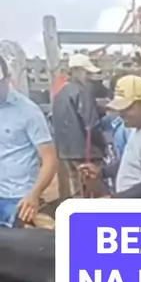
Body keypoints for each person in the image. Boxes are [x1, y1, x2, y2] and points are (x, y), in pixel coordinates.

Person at [0, 56, 57, 227]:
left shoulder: (28, 111)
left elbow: (49, 158)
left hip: (19, 199)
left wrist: (33, 194)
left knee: (21, 240)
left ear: (7, 78)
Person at [51, 53, 106, 196]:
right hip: (85, 151)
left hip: (66, 151)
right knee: (94, 190)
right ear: (78, 71)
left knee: (77, 190)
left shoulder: (59, 93)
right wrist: (103, 146)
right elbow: (91, 124)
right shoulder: (82, 92)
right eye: (87, 73)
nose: (89, 77)